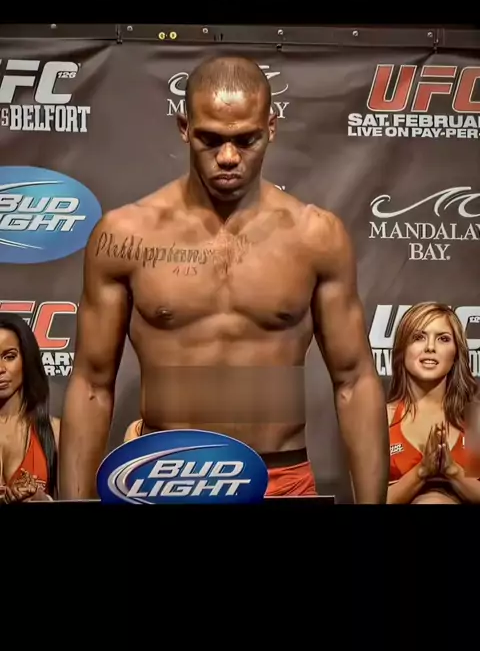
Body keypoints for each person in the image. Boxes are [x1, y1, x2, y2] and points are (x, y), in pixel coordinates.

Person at [59, 54, 389, 503]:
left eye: (246, 139)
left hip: (280, 479)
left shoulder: (316, 236)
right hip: (164, 478)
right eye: (210, 140)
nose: (229, 157)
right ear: (184, 128)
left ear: (271, 127)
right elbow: (92, 384)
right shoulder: (125, 235)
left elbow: (354, 381)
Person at [387, 302, 480, 504]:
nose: (430, 347)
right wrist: (421, 472)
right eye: (418, 337)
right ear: (403, 349)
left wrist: (452, 471)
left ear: (456, 353)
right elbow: (367, 499)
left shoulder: (475, 420)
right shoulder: (381, 420)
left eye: (443, 339)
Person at [0, 312, 59, 503]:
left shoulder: (55, 432)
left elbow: (77, 498)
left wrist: (41, 499)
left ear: (27, 359)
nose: (0, 368)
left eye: (9, 357)